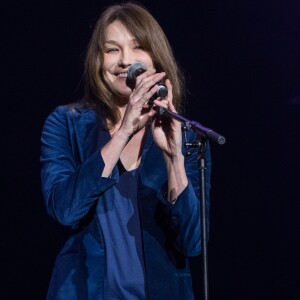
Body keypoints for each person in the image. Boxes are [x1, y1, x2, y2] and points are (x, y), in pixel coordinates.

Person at [40, 2, 211, 299]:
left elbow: (193, 242)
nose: (125, 62)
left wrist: (173, 159)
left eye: (138, 48)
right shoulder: (66, 123)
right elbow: (65, 209)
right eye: (112, 50)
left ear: (156, 61)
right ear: (98, 61)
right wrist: (122, 133)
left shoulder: (185, 136)